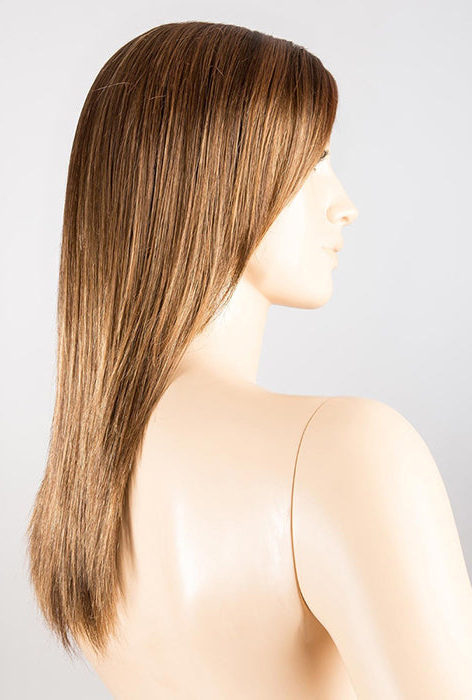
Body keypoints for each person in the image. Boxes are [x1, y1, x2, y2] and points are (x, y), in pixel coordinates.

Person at [26, 21, 472, 699]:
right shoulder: (346, 452)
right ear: (217, 183)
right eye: (310, 164)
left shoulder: (84, 491)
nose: (343, 205)